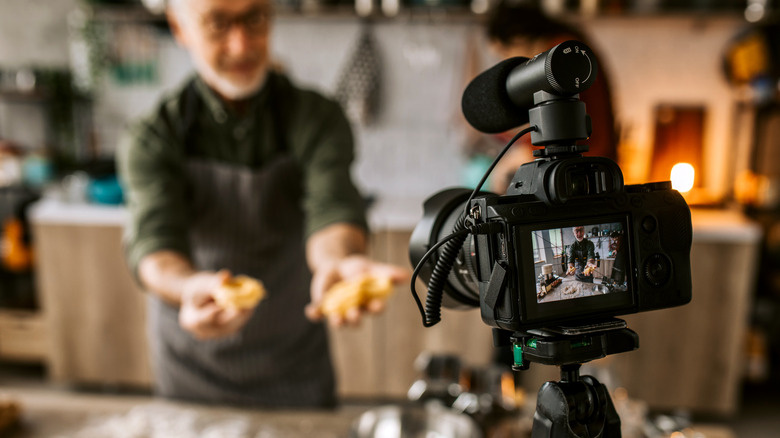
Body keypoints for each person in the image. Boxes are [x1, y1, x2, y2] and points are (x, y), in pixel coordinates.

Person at [117, 0, 407, 408]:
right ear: (179, 29)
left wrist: (336, 262)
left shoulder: (316, 117)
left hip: (294, 364)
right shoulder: (154, 135)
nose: (241, 44)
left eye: (254, 18)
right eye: (217, 24)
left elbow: (332, 206)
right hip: (192, 368)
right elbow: (154, 243)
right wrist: (189, 287)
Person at [466, 0, 618, 194]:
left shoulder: (559, 58)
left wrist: (524, 152)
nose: (504, 61)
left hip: (588, 173)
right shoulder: (564, 49)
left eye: (504, 52)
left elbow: (578, 128)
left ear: (519, 37)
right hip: (590, 169)